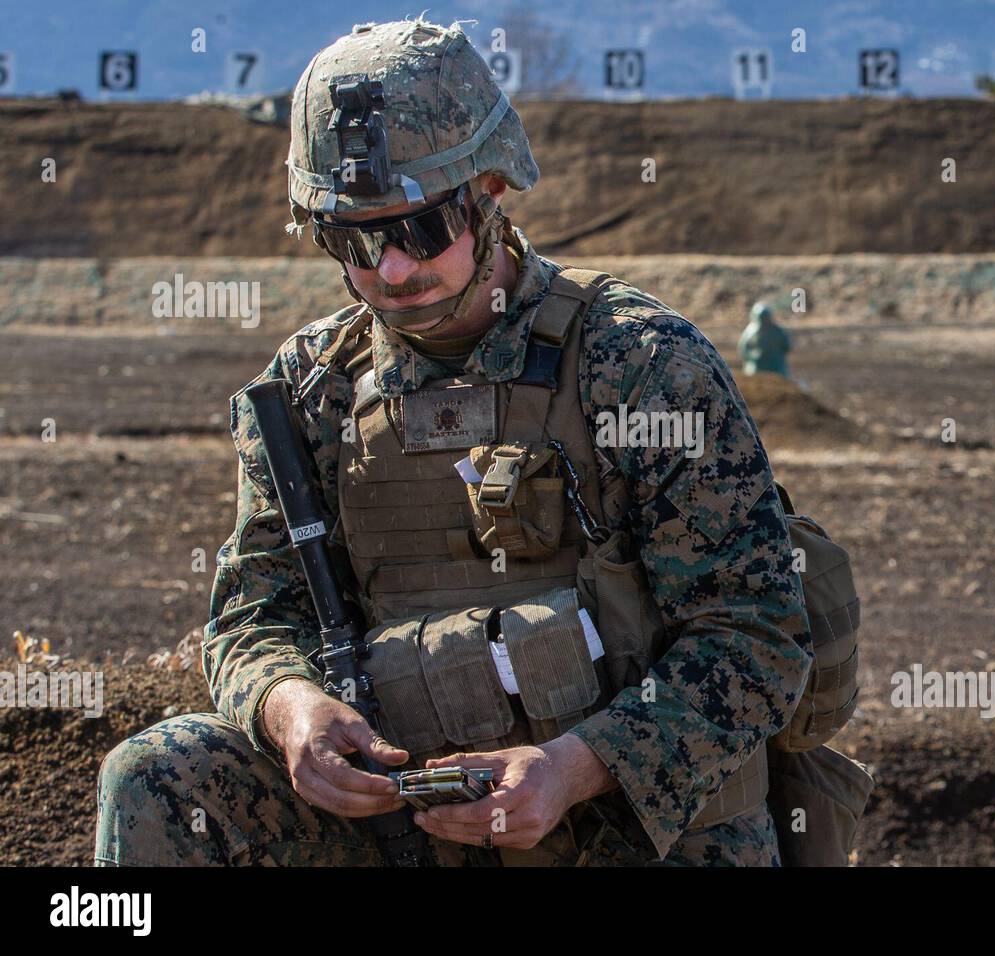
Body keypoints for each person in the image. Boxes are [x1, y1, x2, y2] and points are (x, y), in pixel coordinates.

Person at [95, 18, 812, 867]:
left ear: (491, 189)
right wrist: (292, 711)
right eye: (356, 241)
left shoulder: (640, 365)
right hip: (405, 820)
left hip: (624, 820)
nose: (392, 270)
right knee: (157, 775)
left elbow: (756, 634)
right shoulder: (309, 390)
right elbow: (254, 611)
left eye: (421, 231)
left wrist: (572, 769)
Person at [738, 301, 791, 377]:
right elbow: (743, 348)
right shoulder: (751, 331)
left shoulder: (777, 331)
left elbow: (786, 346)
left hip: (776, 368)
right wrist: (753, 356)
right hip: (756, 368)